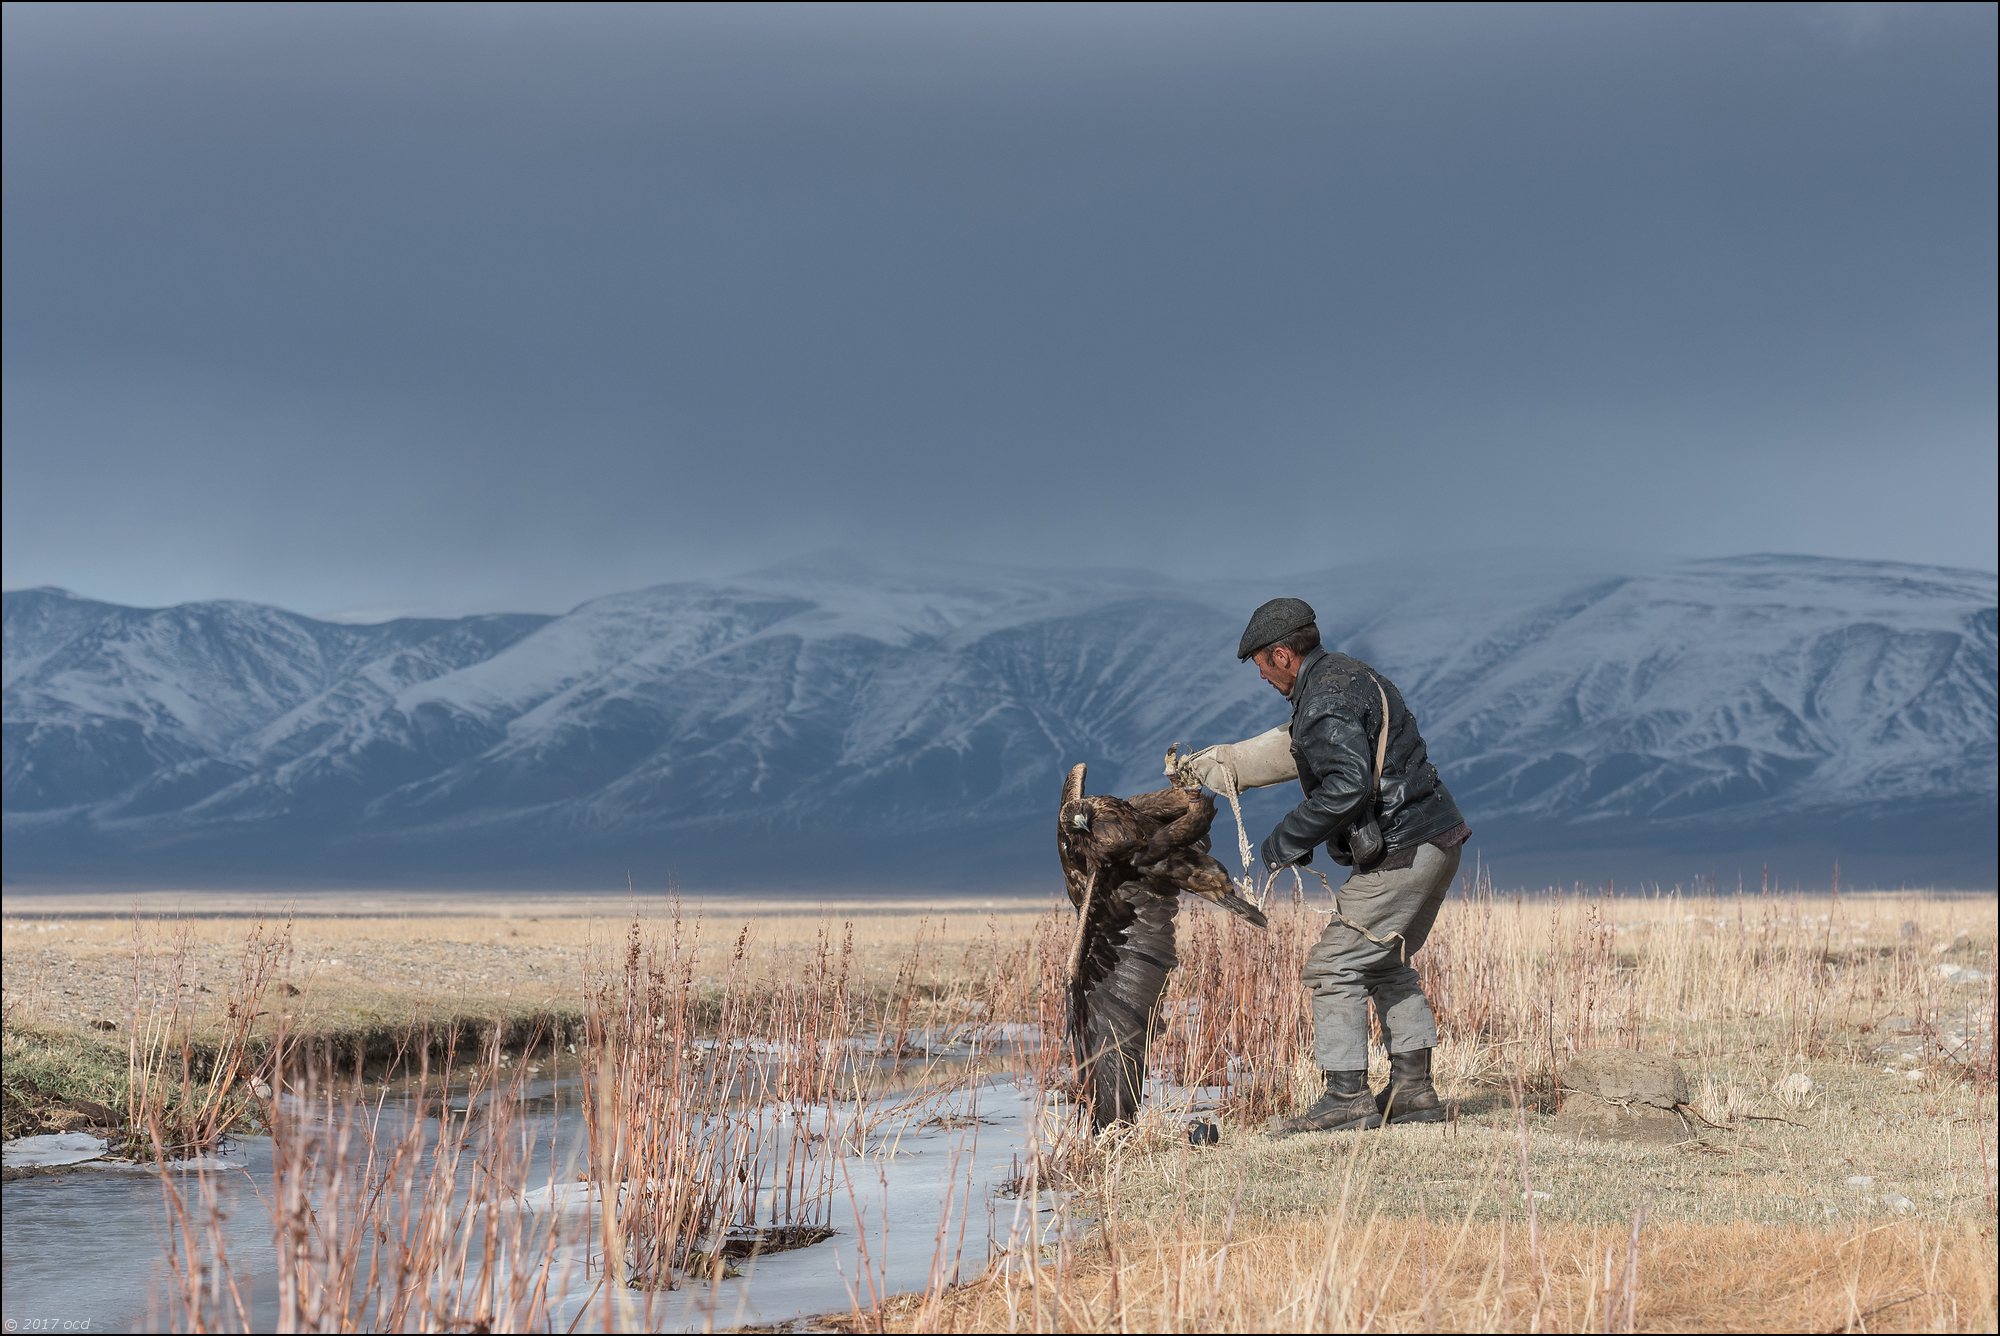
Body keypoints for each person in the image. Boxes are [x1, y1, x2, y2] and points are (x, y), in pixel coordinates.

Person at [1202, 596, 1472, 1134]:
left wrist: (1287, 837)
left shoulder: (1323, 699)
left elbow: (1348, 785)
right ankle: (1414, 1093)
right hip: (1438, 837)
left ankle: (1345, 1098)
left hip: (1402, 849)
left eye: (1259, 662)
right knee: (1384, 961)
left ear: (1281, 653)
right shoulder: (1353, 676)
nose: (1260, 675)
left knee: (1334, 966)